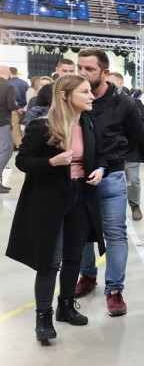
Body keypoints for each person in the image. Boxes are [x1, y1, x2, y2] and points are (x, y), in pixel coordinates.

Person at [6, 75, 105, 341]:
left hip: (81, 196)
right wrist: (52, 162)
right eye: (84, 92)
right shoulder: (42, 126)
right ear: (65, 95)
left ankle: (66, 306)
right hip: (50, 199)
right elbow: (23, 162)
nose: (91, 96)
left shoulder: (88, 123)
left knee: (74, 256)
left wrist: (100, 169)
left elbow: (100, 155)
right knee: (50, 261)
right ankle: (43, 316)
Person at [72, 49, 144, 317]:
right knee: (81, 233)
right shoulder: (73, 99)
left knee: (115, 234)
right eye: (80, 67)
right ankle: (87, 276)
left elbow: (135, 137)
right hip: (78, 177)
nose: (82, 73)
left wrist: (112, 160)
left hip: (112, 177)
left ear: (104, 72)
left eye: (89, 69)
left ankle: (114, 290)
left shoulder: (125, 103)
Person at [0, 65, 16, 193]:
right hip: (3, 122)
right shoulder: (9, 86)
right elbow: (11, 105)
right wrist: (18, 107)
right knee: (7, 151)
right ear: (8, 73)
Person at [8, 66, 28, 149]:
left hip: (14, 108)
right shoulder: (24, 83)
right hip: (25, 108)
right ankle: (26, 143)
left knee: (15, 126)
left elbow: (12, 97)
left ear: (9, 72)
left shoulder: (8, 83)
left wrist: (17, 107)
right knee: (24, 126)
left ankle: (19, 144)